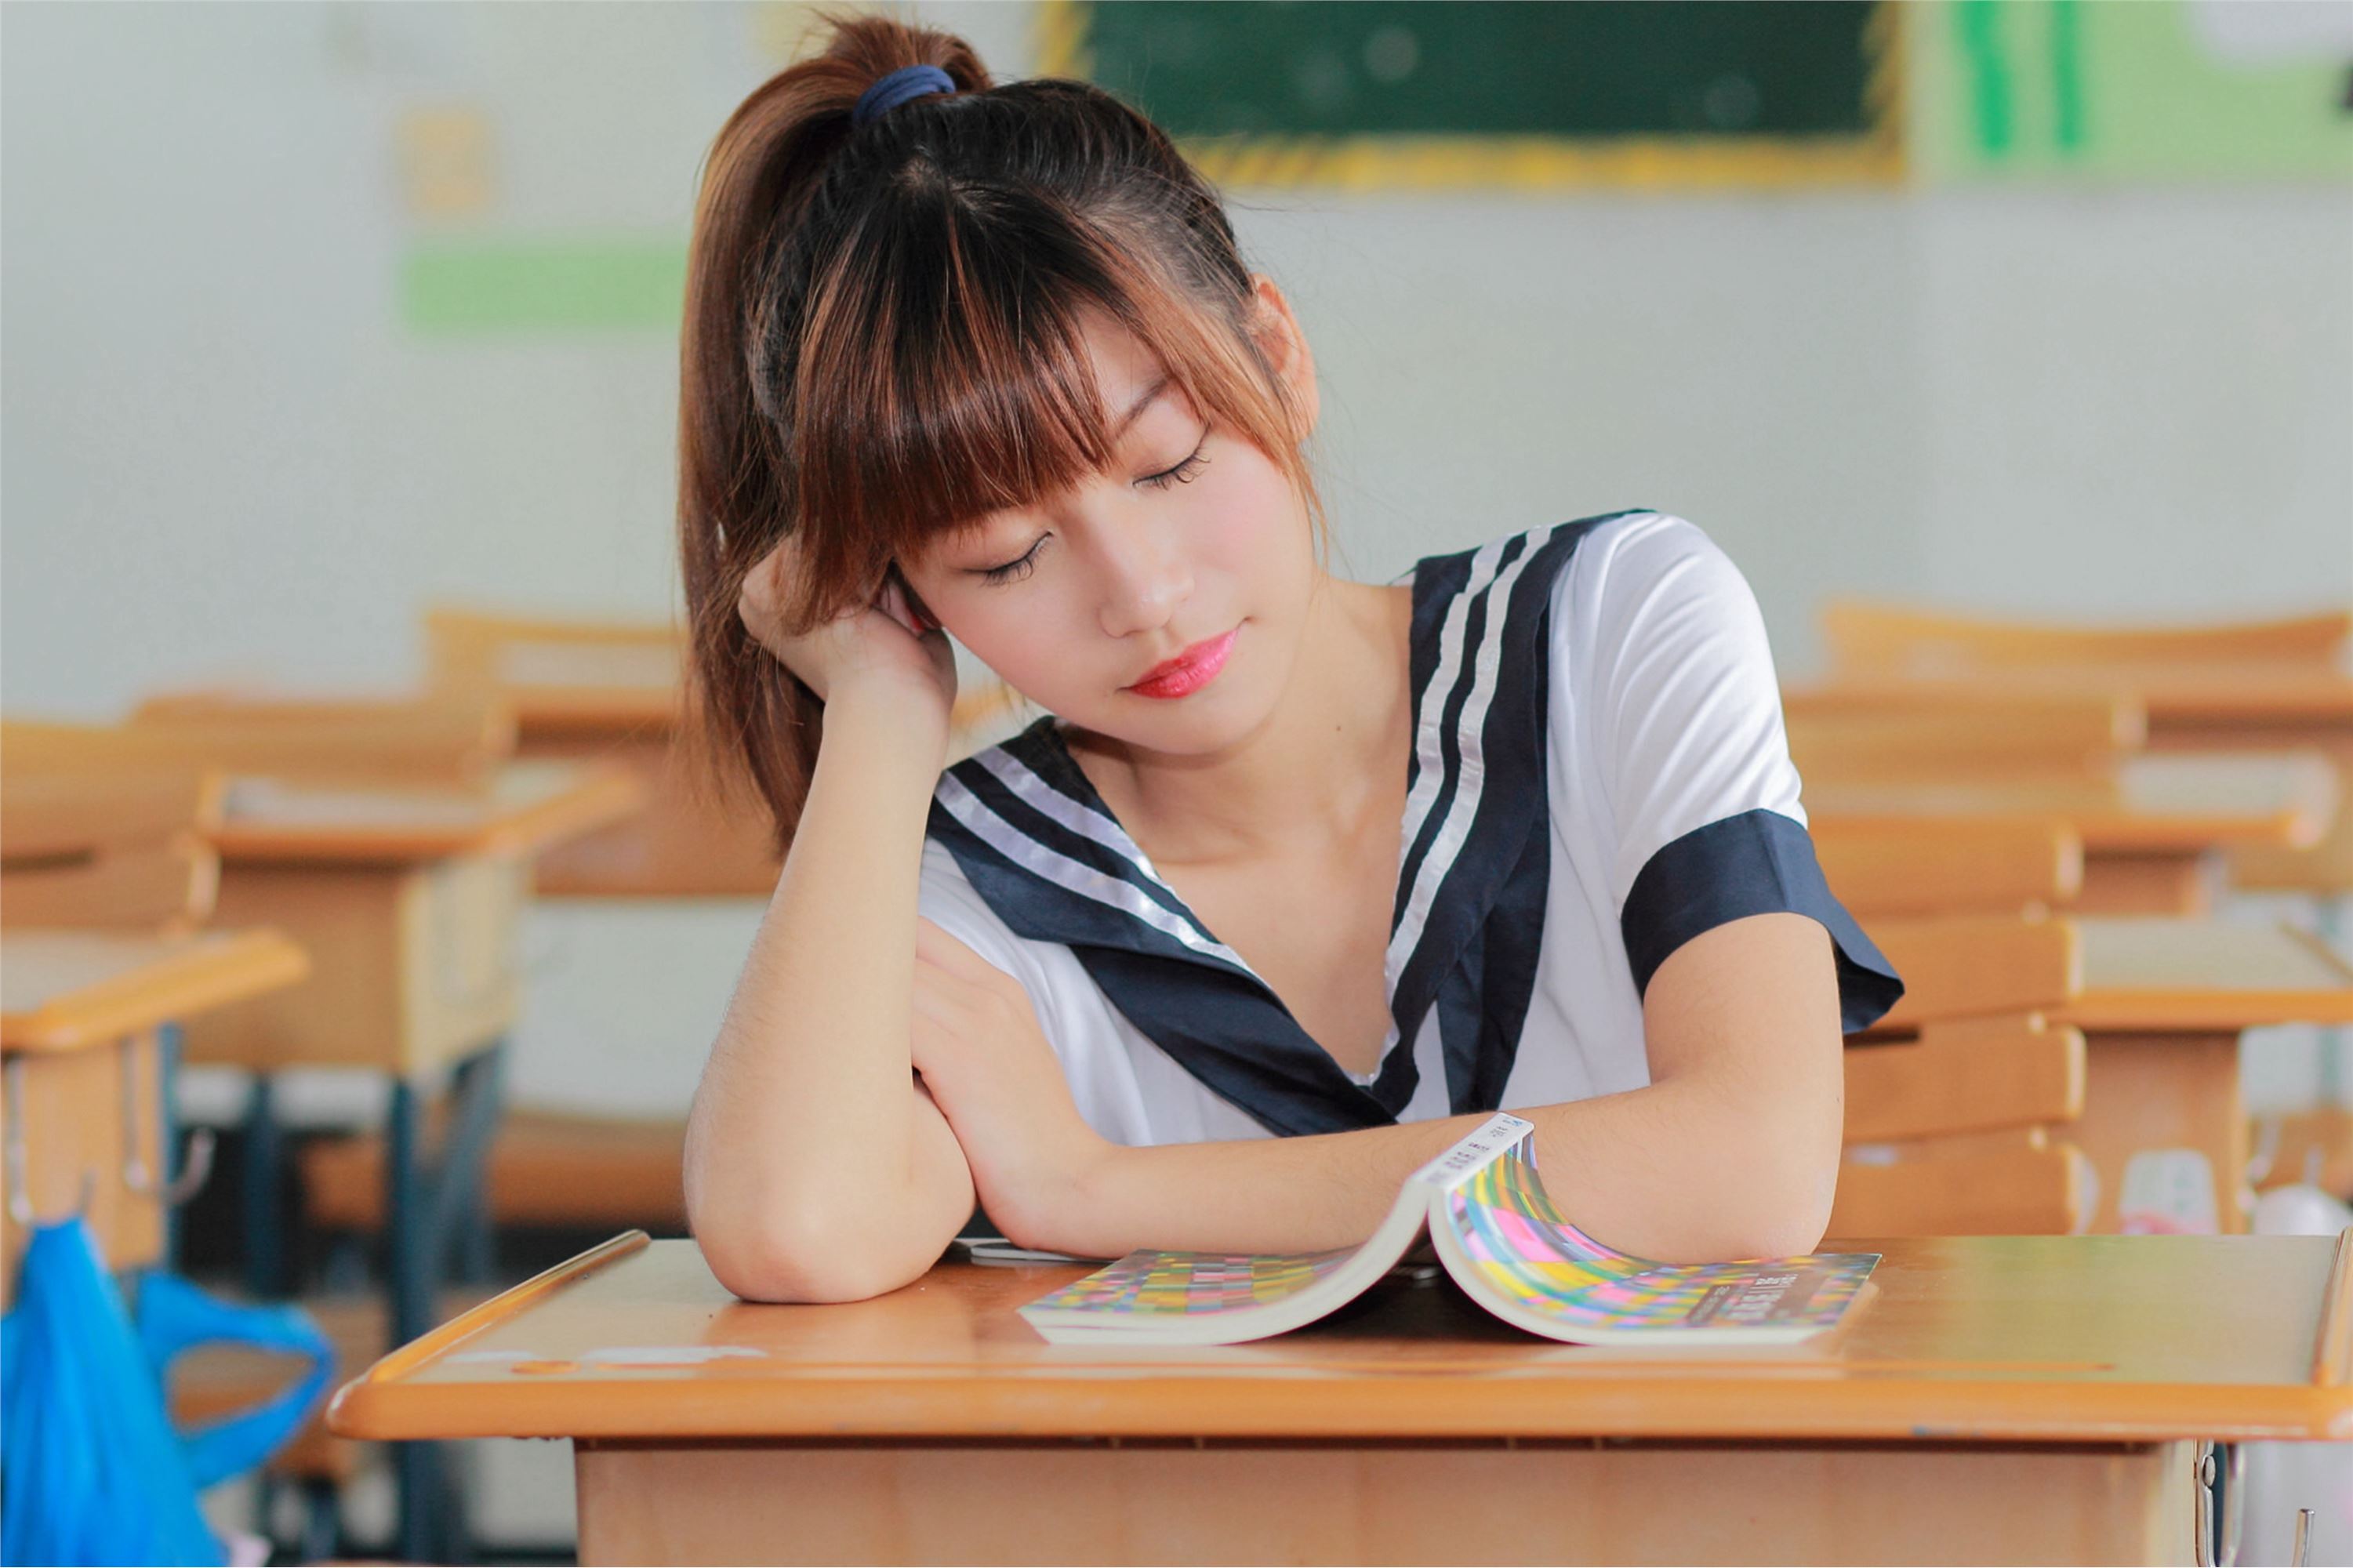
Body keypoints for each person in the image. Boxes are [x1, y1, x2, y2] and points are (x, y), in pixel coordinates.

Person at [677, 12, 1901, 1305]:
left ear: (1277, 355)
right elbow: (796, 1227)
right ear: (898, 588)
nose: (1141, 597)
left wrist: (1094, 1189)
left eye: (1170, 465)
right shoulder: (975, 890)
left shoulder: (1609, 630)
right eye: (1002, 557)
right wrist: (875, 707)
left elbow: (1751, 1168)